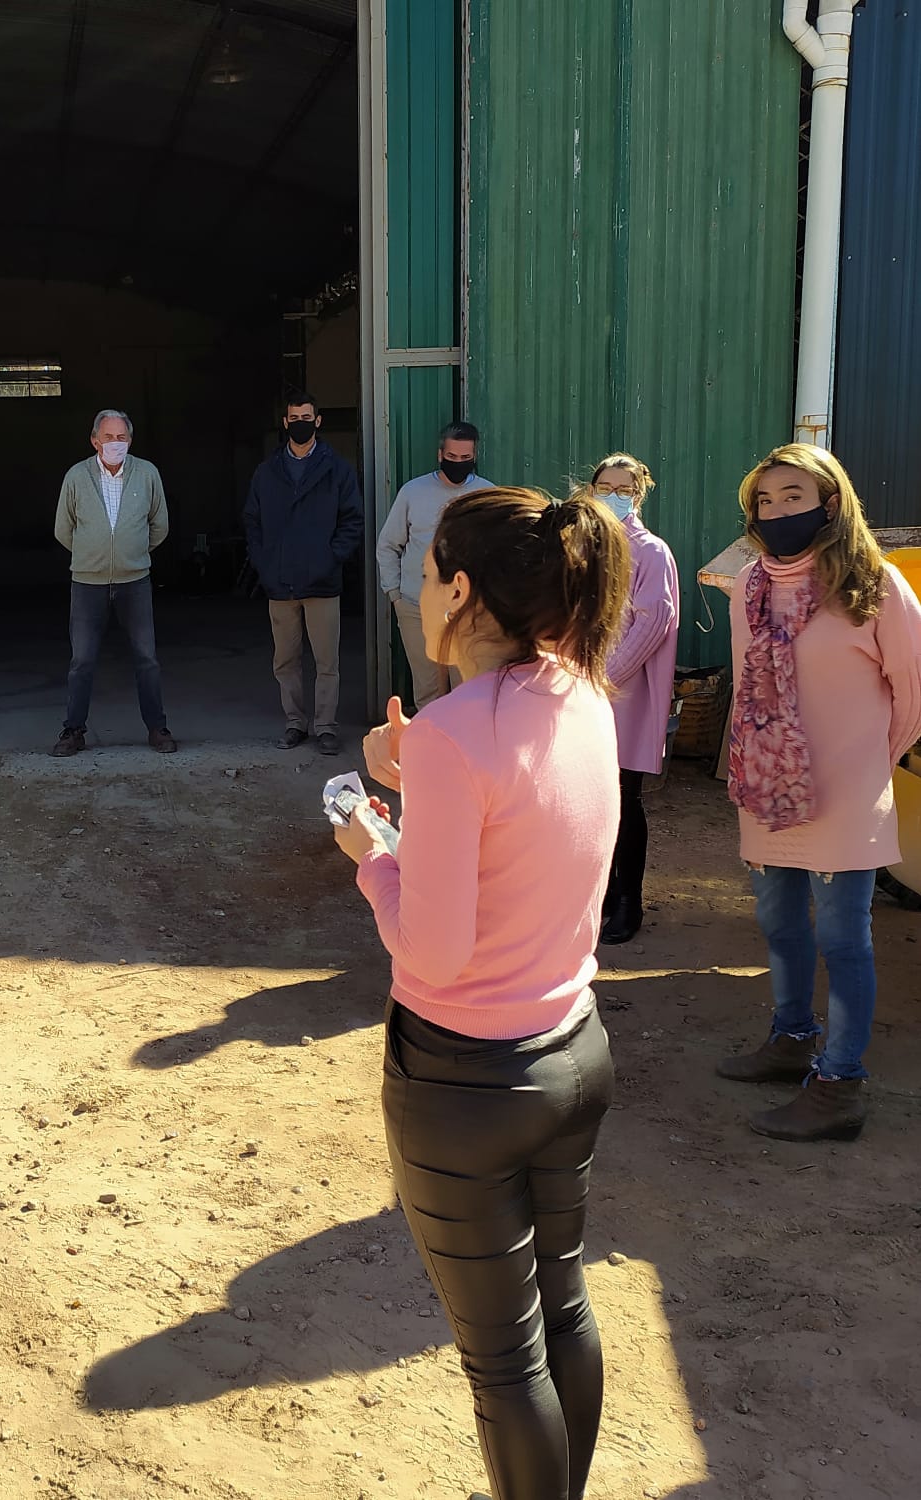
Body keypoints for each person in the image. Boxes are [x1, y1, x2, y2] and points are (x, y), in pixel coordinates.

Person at [333, 486, 631, 1500]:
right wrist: (420, 780)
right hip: (573, 1049)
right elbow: (527, 823)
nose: (420, 593)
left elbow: (436, 948)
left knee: (505, 1363)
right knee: (565, 1309)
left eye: (426, 576)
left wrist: (373, 855)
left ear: (461, 588)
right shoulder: (585, 693)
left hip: (466, 1083)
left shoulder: (459, 729)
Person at [716, 444, 921, 1142]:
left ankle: (840, 1086)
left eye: (792, 498)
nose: (776, 513)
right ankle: (792, 1037)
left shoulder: (875, 586)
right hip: (770, 792)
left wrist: (866, 765)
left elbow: (911, 695)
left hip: (848, 794)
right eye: (764, 503)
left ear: (830, 504)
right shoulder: (749, 587)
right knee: (778, 922)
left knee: (843, 936)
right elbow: (748, 692)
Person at [581, 453, 680, 945]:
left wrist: (602, 675)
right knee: (586, 800)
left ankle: (627, 901)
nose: (613, 495)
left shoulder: (651, 552)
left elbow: (652, 622)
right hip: (579, 689)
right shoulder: (585, 544)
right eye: (605, 485)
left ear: (639, 495)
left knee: (622, 798)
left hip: (621, 695)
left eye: (624, 488)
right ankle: (595, 895)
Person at [50, 409, 176, 757]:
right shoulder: (77, 476)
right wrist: (92, 555)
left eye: (121, 437)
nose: (115, 443)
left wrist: (130, 553)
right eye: (108, 437)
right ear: (94, 440)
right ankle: (73, 730)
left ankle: (157, 727)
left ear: (130, 440)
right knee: (82, 660)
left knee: (146, 658)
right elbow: (64, 528)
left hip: (134, 580)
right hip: (87, 583)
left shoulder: (147, 473)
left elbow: (159, 524)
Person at [243, 390, 362, 754]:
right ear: (285, 423)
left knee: (327, 662)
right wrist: (265, 566)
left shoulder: (337, 470)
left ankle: (325, 726)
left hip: (323, 583)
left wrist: (330, 559)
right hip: (280, 584)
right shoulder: (267, 473)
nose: (300, 424)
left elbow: (352, 521)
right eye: (294, 419)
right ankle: (295, 722)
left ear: (318, 421)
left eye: (306, 418)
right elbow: (253, 522)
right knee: (286, 660)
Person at [377, 421, 493, 711]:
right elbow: (389, 544)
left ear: (474, 457)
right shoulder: (412, 492)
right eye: (452, 458)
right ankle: (426, 755)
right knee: (427, 691)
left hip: (466, 611)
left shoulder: (488, 495)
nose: (458, 464)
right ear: (440, 454)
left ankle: (461, 756)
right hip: (415, 607)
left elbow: (498, 553)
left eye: (465, 459)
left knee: (467, 692)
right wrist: (395, 595)